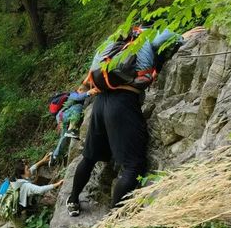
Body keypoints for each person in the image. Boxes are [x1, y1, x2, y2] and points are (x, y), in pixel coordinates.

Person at [66, 26, 205, 217]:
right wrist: (182, 37)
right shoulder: (149, 34)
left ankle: (73, 199)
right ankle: (113, 220)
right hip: (123, 102)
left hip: (100, 102)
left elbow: (93, 70)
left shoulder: (113, 42)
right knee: (133, 165)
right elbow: (160, 41)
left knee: (89, 158)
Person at [0, 155, 63, 228]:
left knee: (12, 224)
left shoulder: (15, 179)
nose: (29, 170)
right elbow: (40, 190)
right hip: (18, 213)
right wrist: (57, 184)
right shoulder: (25, 185)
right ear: (22, 173)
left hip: (11, 210)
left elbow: (31, 170)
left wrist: (42, 161)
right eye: (27, 169)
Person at [49, 85, 92, 166]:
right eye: (83, 91)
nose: (83, 94)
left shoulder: (75, 95)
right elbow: (78, 98)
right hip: (63, 115)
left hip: (63, 117)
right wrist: (89, 93)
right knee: (78, 106)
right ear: (79, 90)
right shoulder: (73, 94)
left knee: (64, 137)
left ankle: (55, 156)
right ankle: (71, 129)